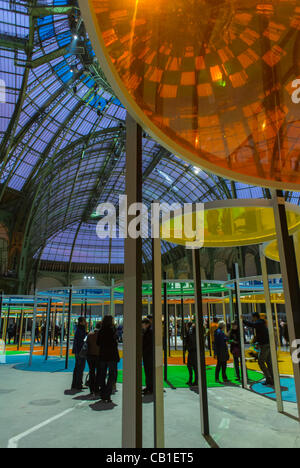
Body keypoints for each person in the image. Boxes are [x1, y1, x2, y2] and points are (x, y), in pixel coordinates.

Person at [244, 312, 274, 386]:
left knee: (261, 362)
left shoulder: (258, 323)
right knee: (268, 362)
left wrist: (242, 320)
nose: (252, 319)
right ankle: (272, 378)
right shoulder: (261, 323)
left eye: (252, 317)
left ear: (255, 317)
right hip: (267, 344)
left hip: (264, 345)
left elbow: (251, 325)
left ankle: (269, 378)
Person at [97, 315, 119, 403]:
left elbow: (98, 343)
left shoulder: (101, 330)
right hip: (112, 355)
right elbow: (115, 342)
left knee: (102, 374)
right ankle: (108, 393)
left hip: (103, 355)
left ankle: (103, 393)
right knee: (112, 374)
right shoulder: (113, 330)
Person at [71, 317, 87, 391]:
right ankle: (78, 384)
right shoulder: (81, 330)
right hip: (80, 351)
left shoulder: (78, 329)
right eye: (84, 321)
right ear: (81, 322)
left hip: (77, 351)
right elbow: (81, 341)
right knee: (80, 367)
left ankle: (75, 384)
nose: (85, 322)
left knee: (77, 367)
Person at [87, 321, 101, 396]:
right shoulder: (101, 335)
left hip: (89, 355)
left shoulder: (90, 334)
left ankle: (91, 389)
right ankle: (96, 388)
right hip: (98, 355)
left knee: (91, 372)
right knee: (99, 372)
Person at [142, 318, 154, 395]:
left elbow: (148, 344)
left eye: (143, 324)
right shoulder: (149, 331)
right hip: (148, 354)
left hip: (148, 355)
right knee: (148, 371)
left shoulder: (149, 332)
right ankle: (149, 387)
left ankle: (150, 388)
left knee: (148, 371)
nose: (142, 325)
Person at [185, 322, 198, 386]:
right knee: (193, 366)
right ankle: (194, 380)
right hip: (193, 350)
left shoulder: (190, 331)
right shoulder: (192, 330)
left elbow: (190, 340)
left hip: (192, 350)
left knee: (191, 366)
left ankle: (193, 380)